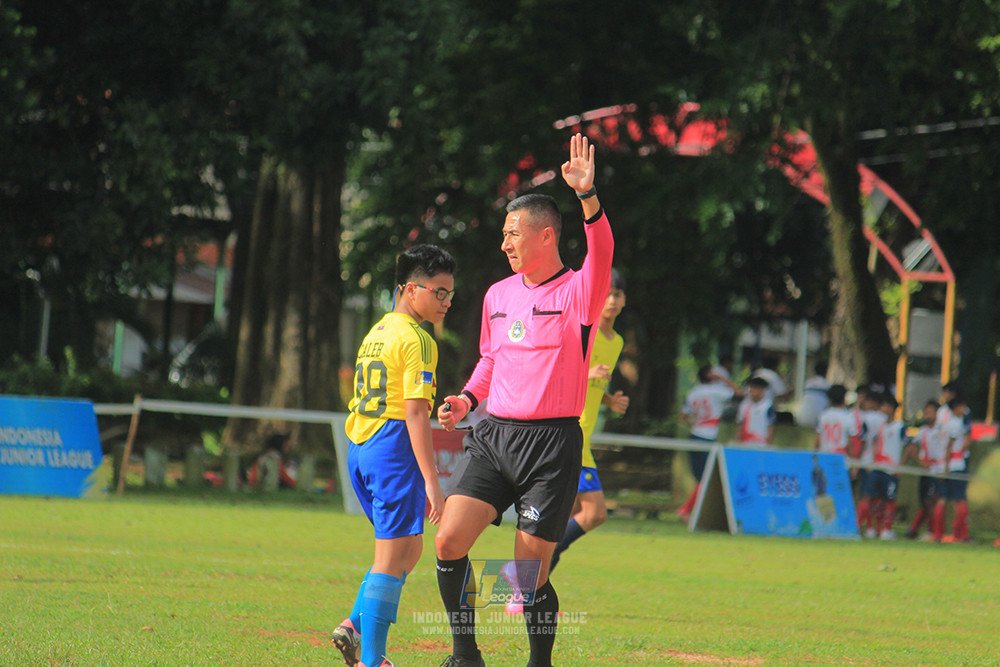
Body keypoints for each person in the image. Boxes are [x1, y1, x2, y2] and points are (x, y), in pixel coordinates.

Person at [434, 133, 613, 667]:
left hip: (551, 445)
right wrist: (466, 400)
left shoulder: (579, 291)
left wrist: (588, 196)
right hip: (494, 438)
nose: (505, 244)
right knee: (448, 541)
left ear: (546, 236)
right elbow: (491, 360)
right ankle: (465, 654)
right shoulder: (497, 294)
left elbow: (601, 250)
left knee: (528, 575)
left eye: (513, 234)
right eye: (504, 235)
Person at [331, 244, 455, 667]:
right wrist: (433, 481)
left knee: (410, 548)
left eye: (450, 295)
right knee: (390, 556)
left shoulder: (379, 330)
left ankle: (354, 625)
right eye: (438, 292)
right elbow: (415, 413)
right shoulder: (419, 339)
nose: (445, 302)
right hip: (392, 448)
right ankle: (372, 659)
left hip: (360, 447)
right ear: (409, 289)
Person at [545, 267, 628, 577]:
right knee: (593, 513)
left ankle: (526, 590)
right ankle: (529, 580)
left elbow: (594, 387)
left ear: (624, 300)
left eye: (617, 295)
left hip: (583, 438)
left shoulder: (615, 341)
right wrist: (586, 374)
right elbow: (553, 373)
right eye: (607, 294)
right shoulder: (583, 330)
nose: (611, 301)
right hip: (567, 433)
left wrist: (610, 400)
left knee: (565, 516)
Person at [676, 364, 741, 521]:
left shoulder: (693, 393)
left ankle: (690, 511)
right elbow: (739, 393)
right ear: (712, 376)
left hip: (694, 436)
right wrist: (723, 379)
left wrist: (695, 424)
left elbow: (683, 416)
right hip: (707, 438)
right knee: (706, 479)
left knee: (701, 479)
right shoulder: (717, 392)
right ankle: (685, 510)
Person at [857, 395, 915, 539]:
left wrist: (900, 465)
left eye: (884, 406)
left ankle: (886, 529)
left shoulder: (900, 426)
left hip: (891, 470)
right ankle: (872, 528)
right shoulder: (880, 426)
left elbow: (909, 446)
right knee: (873, 499)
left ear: (891, 408)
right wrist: (872, 462)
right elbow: (876, 444)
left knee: (889, 500)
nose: (882, 409)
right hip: (877, 467)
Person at [906, 401, 947, 540]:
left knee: (933, 501)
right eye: (926, 412)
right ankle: (921, 530)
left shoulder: (942, 429)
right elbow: (912, 448)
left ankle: (933, 531)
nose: (927, 415)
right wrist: (920, 461)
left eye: (930, 412)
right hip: (926, 472)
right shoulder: (922, 431)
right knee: (926, 501)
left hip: (937, 470)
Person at [934, 396, 972, 543]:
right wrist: (946, 467)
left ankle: (938, 534)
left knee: (942, 498)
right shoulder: (956, 424)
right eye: (962, 407)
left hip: (944, 464)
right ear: (956, 408)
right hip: (955, 465)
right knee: (960, 499)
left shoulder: (946, 424)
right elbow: (950, 446)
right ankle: (962, 535)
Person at [814, 384, 857, 456]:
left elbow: (818, 439)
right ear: (844, 399)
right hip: (840, 456)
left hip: (825, 454)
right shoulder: (848, 417)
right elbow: (850, 443)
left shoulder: (823, 415)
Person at [735, 376, 775, 445]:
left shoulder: (767, 406)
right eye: (751, 388)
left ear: (762, 389)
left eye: (755, 388)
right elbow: (741, 424)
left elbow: (771, 426)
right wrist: (738, 440)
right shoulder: (745, 405)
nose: (752, 391)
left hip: (761, 443)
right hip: (746, 443)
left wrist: (768, 443)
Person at [797, 361, 830, 428]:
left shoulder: (808, 383)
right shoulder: (826, 385)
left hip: (803, 418)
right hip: (819, 419)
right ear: (826, 371)